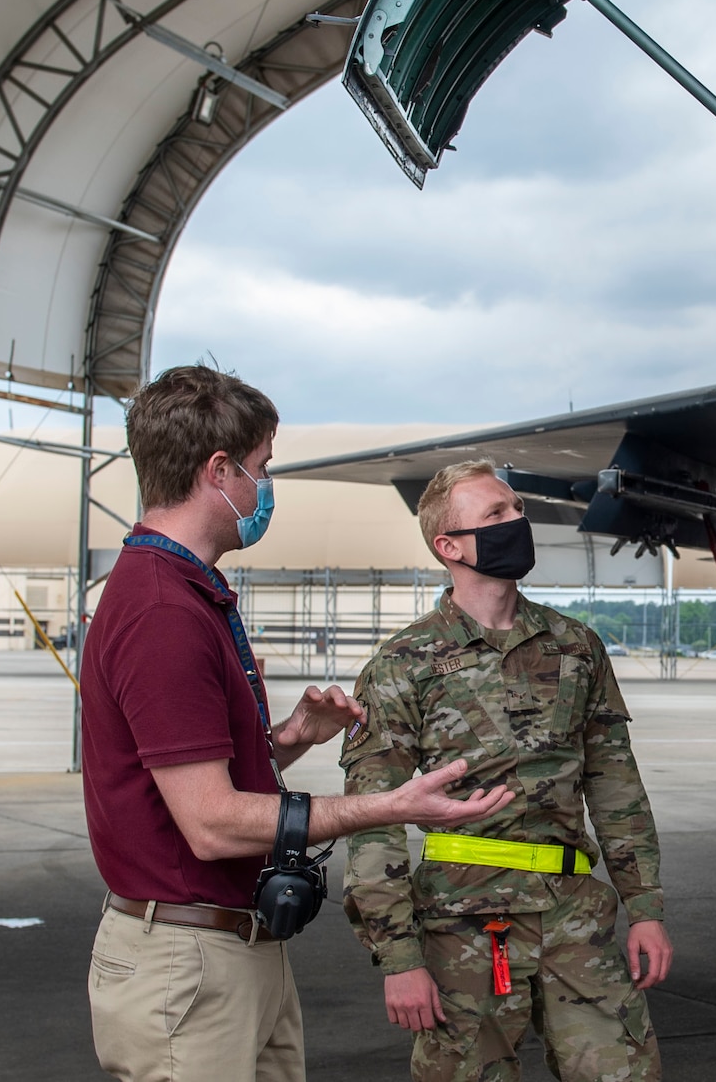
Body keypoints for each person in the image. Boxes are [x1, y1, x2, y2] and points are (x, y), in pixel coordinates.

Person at [82, 366, 514, 1082]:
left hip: (232, 950)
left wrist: (287, 739)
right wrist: (390, 806)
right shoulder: (162, 610)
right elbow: (211, 822)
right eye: (261, 468)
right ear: (217, 470)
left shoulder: (188, 591)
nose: (265, 487)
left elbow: (191, 781)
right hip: (188, 965)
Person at [342, 460, 669, 1082]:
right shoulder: (403, 664)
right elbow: (373, 821)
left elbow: (615, 786)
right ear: (449, 545)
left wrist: (646, 908)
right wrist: (398, 958)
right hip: (463, 923)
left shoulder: (576, 646)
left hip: (576, 915)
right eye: (495, 515)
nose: (518, 521)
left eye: (517, 508)